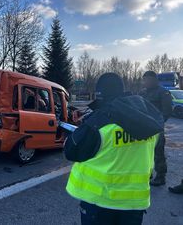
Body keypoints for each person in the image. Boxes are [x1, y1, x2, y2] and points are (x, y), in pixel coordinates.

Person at [64, 73, 164, 225]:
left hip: (100, 202)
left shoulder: (100, 121)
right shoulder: (149, 120)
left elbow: (72, 150)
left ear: (101, 95)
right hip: (135, 203)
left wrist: (81, 129)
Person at [140, 71, 172, 186]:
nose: (146, 82)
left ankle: (161, 176)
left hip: (156, 127)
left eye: (148, 79)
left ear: (154, 80)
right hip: (144, 126)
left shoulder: (163, 92)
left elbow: (167, 111)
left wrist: (157, 124)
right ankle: (148, 174)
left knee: (158, 152)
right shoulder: (142, 93)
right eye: (144, 80)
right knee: (145, 152)